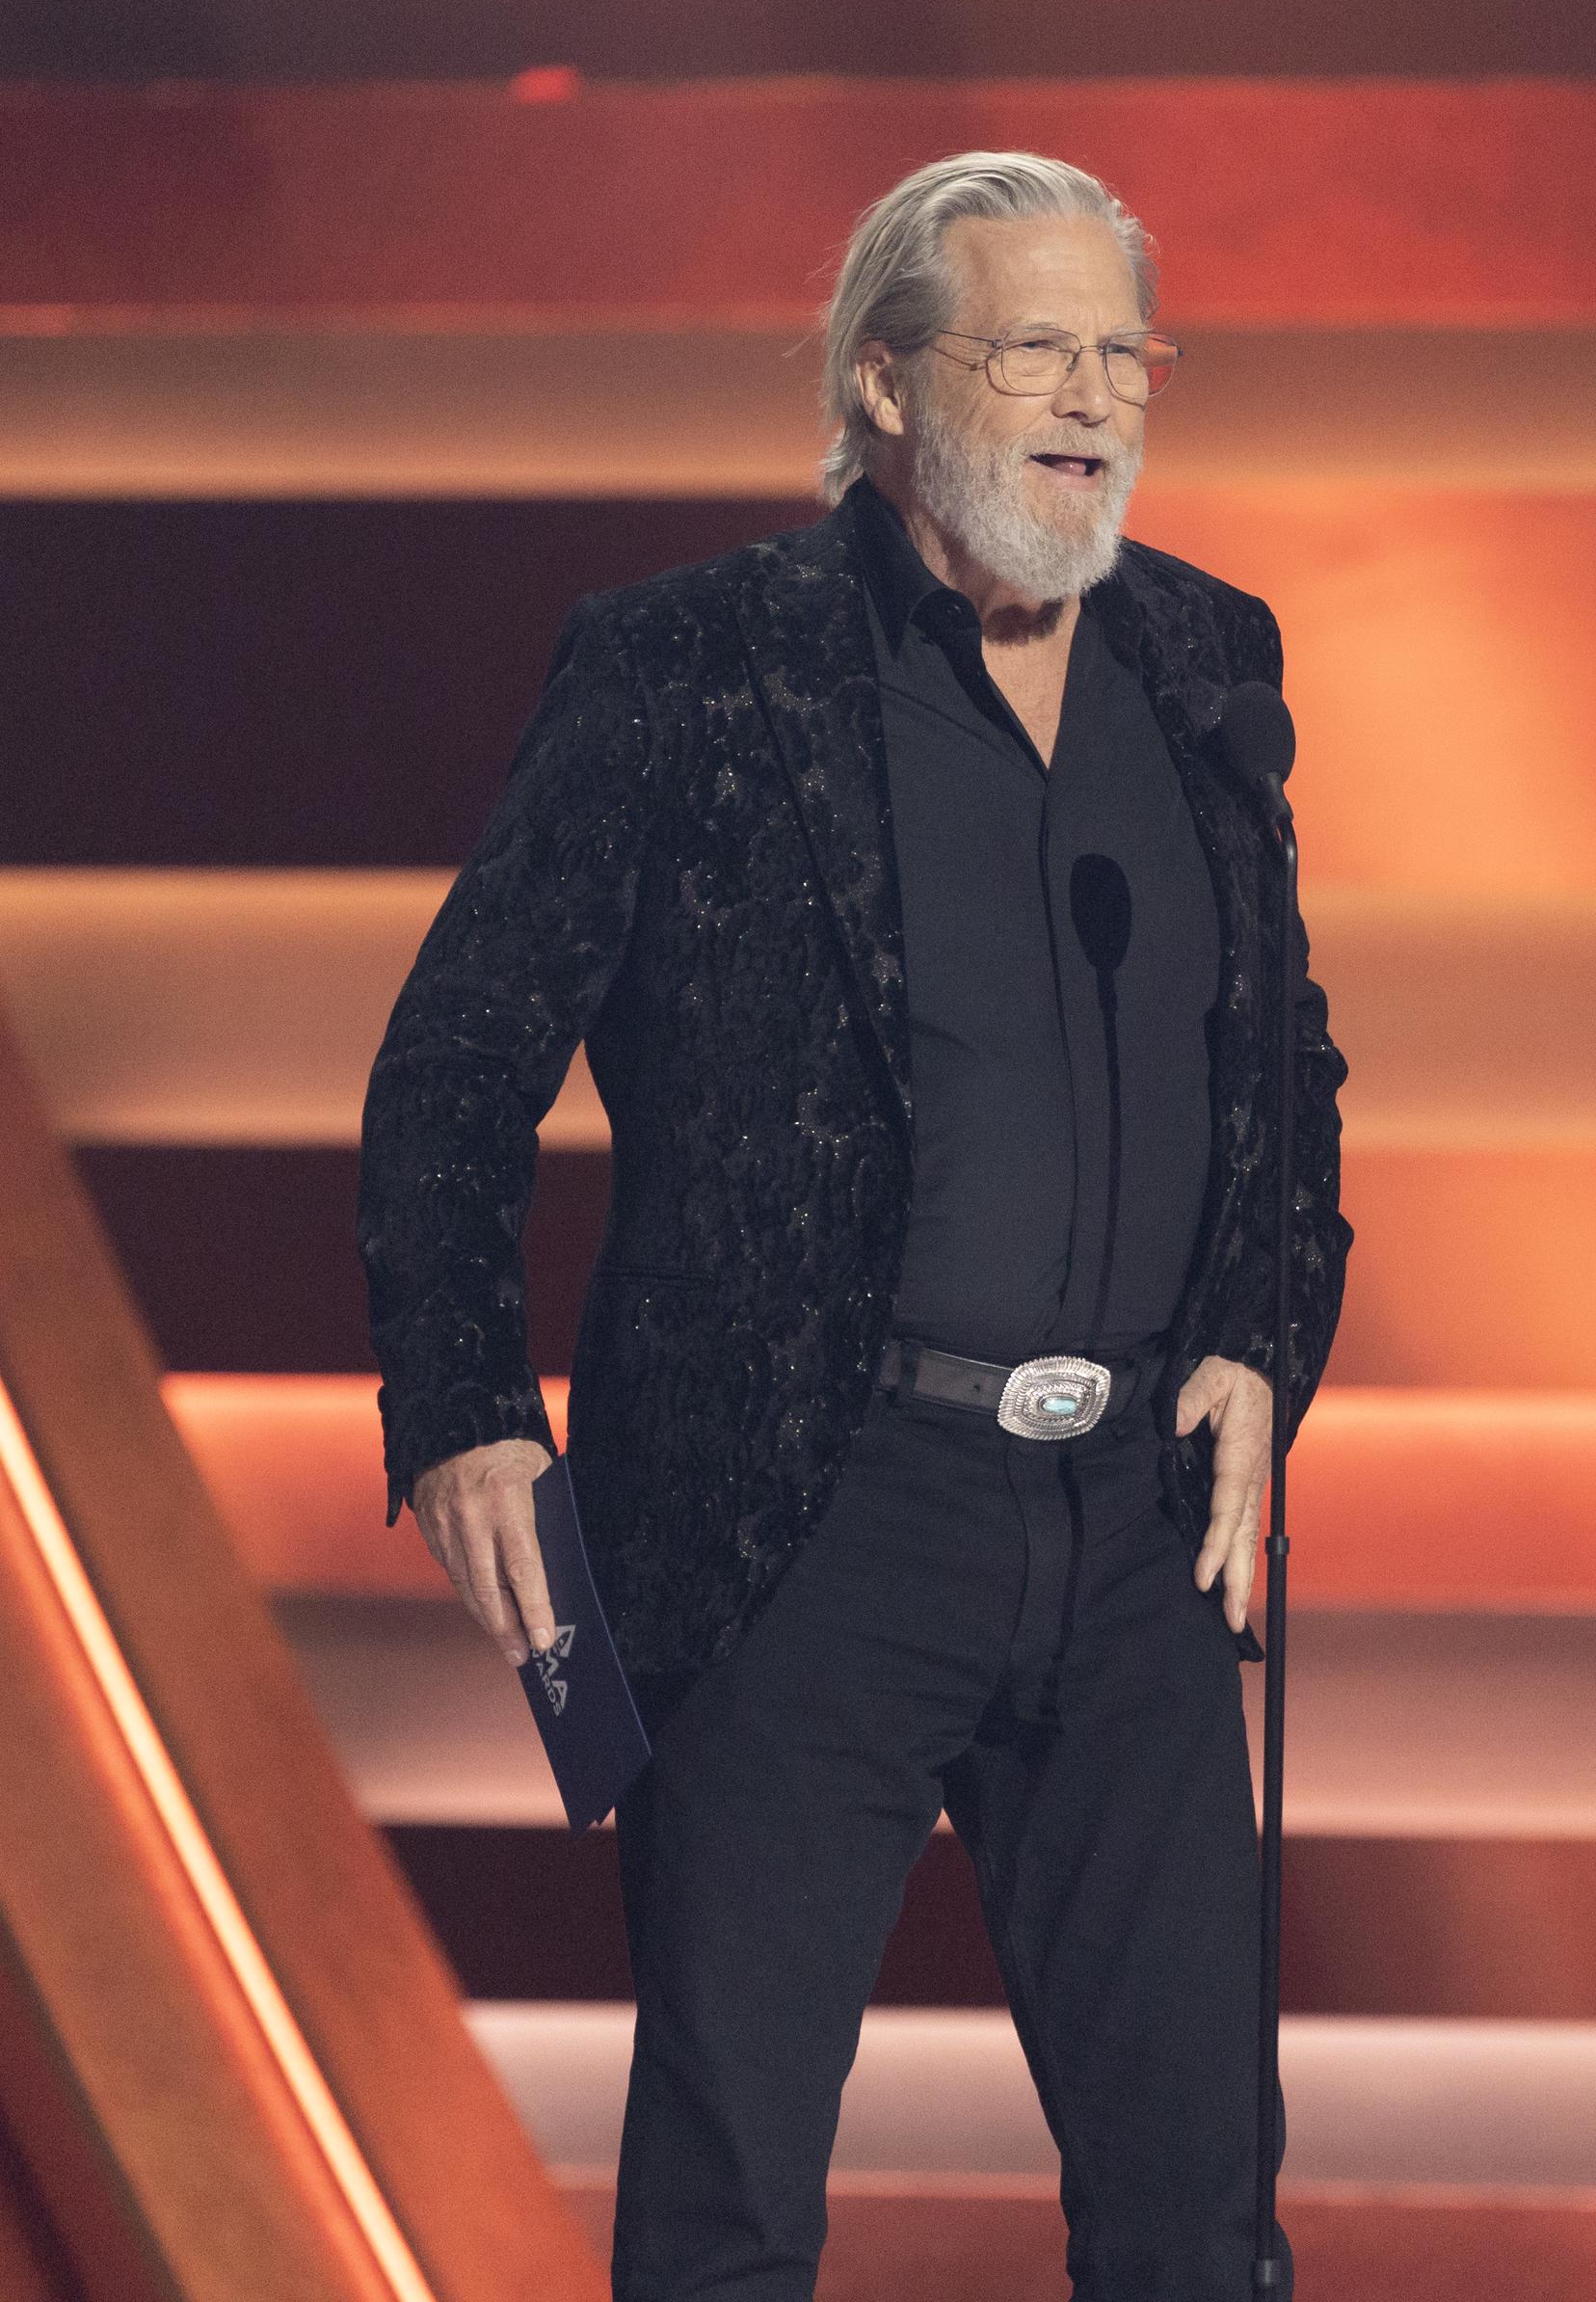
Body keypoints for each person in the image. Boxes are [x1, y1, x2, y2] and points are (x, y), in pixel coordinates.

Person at [357, 149, 1351, 2302]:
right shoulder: (696, 673)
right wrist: (459, 1402)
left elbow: (1284, 1065)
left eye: (1122, 353)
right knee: (728, 2210)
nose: (1092, 398)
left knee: (1200, 2214)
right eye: (1030, 350)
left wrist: (1268, 1337)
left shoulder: (1207, 662)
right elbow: (456, 1057)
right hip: (812, 1515)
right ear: (889, 386)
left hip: (1133, 1536)